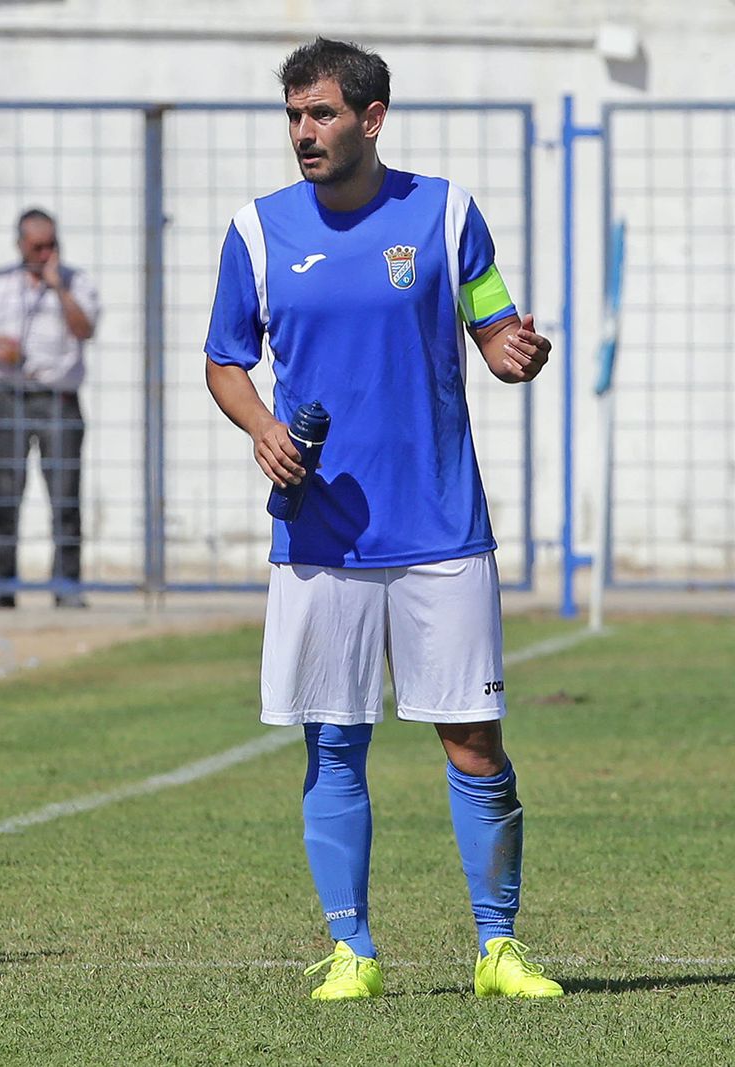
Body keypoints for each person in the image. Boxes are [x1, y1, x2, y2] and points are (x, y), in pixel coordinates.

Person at [203, 37, 563, 1002]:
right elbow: (225, 361)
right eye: (292, 115)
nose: (304, 133)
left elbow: (495, 329)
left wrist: (514, 352)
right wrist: (263, 428)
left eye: (320, 113)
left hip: (442, 525)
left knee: (473, 738)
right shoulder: (255, 231)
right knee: (333, 739)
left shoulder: (446, 215)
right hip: (320, 534)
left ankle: (497, 948)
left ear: (372, 118)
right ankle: (352, 951)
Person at [0, 208, 100, 610]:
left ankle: (67, 585)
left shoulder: (77, 284)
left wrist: (58, 289)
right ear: (20, 245)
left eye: (51, 246)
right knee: (4, 493)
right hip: (10, 395)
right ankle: (3, 583)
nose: (44, 254)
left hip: (57, 398)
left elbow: (85, 329)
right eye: (36, 247)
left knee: (64, 495)